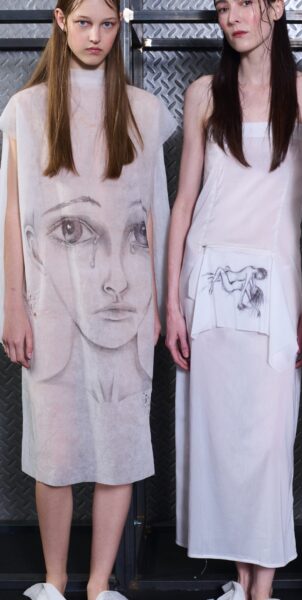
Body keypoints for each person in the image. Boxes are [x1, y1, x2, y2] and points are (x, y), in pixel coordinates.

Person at [0, 0, 175, 598]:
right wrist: (12, 305)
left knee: (120, 444)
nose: (96, 36)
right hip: (49, 305)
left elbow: (155, 215)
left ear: (119, 25)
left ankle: (100, 585)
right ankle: (54, 582)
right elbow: (12, 217)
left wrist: (158, 304)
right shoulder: (27, 110)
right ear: (59, 20)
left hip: (127, 305)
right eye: (83, 23)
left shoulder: (145, 112)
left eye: (107, 24)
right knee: (54, 448)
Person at [165, 1, 302, 599]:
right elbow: (184, 203)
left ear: (276, 7)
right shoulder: (204, 95)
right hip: (208, 281)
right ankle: (241, 586)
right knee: (217, 443)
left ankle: (263, 589)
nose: (232, 16)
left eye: (244, 2)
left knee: (266, 443)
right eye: (222, 6)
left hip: (277, 288)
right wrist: (172, 303)